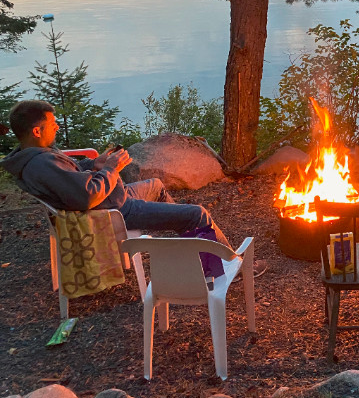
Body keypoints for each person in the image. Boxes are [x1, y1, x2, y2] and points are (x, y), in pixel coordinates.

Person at [1, 100, 266, 277]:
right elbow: (86, 196)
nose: (57, 126)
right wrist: (111, 168)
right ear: (37, 131)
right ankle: (228, 266)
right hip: (114, 210)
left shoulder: (32, 155)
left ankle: (191, 250)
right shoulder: (42, 163)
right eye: (52, 123)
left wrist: (95, 162)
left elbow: (71, 175)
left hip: (114, 197)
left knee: (157, 186)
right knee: (196, 214)